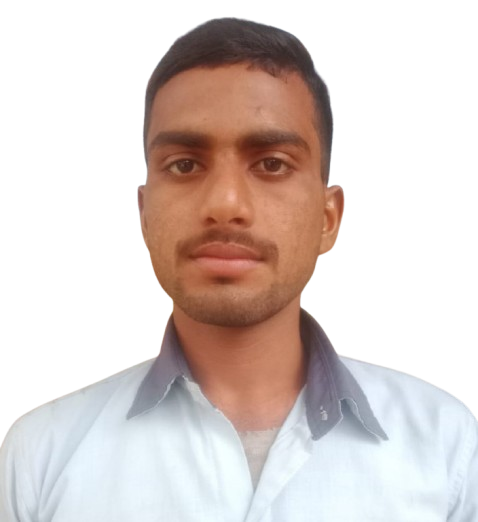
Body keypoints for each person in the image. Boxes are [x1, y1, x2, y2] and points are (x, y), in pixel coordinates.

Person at [0, 17, 476, 521]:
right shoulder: (40, 460)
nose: (225, 204)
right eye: (185, 164)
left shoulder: (447, 450)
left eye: (271, 163)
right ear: (144, 215)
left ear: (328, 218)